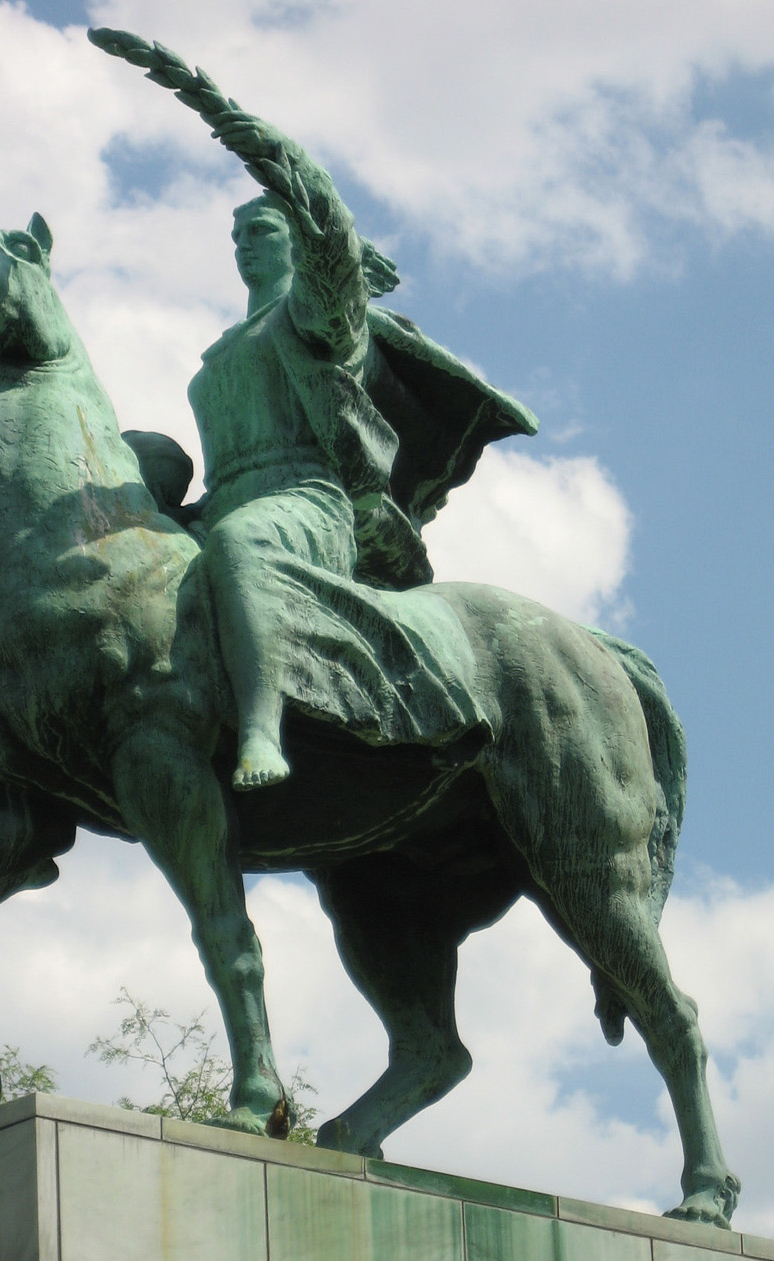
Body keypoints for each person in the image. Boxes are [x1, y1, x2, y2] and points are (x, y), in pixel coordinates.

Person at [186, 111, 537, 792]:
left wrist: (286, 171)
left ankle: (262, 728)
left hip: (307, 500)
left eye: (259, 231)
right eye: (235, 235)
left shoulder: (315, 317)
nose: (241, 246)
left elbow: (331, 258)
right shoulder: (225, 346)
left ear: (298, 245)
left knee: (240, 545)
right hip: (223, 496)